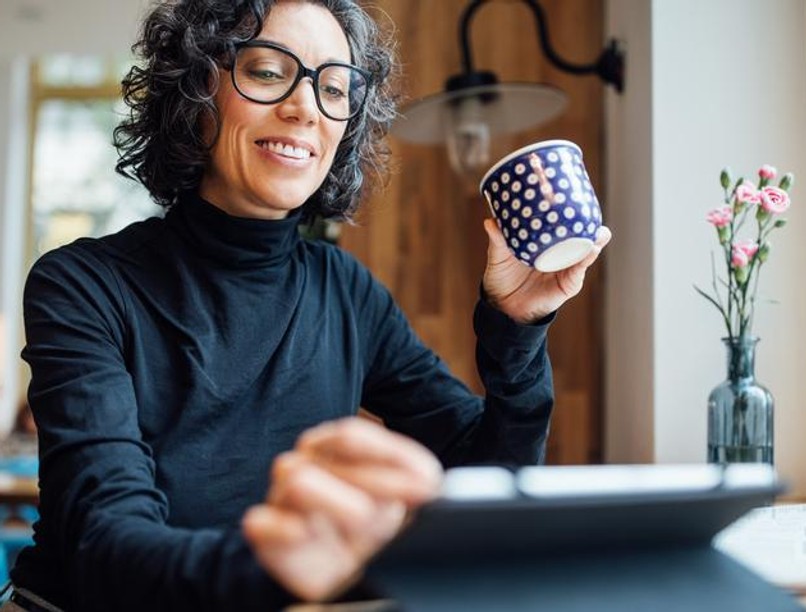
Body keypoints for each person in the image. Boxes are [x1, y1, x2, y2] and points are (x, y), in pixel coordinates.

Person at [7, 0, 610, 610]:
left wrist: (517, 327)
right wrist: (285, 569)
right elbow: (106, 546)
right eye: (268, 72)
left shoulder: (346, 290)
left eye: (335, 87)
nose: (304, 108)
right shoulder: (83, 284)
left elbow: (488, 472)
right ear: (196, 91)